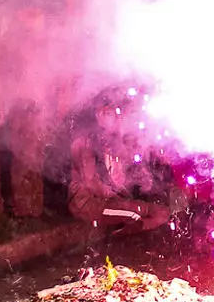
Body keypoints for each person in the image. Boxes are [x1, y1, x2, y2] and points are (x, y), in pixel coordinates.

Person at [67, 88, 171, 233]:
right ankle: (117, 243)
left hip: (112, 201)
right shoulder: (84, 143)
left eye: (116, 112)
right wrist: (118, 197)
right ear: (98, 115)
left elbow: (122, 178)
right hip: (90, 204)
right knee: (135, 215)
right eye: (108, 113)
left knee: (161, 212)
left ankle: (127, 236)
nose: (117, 117)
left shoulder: (114, 143)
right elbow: (91, 184)